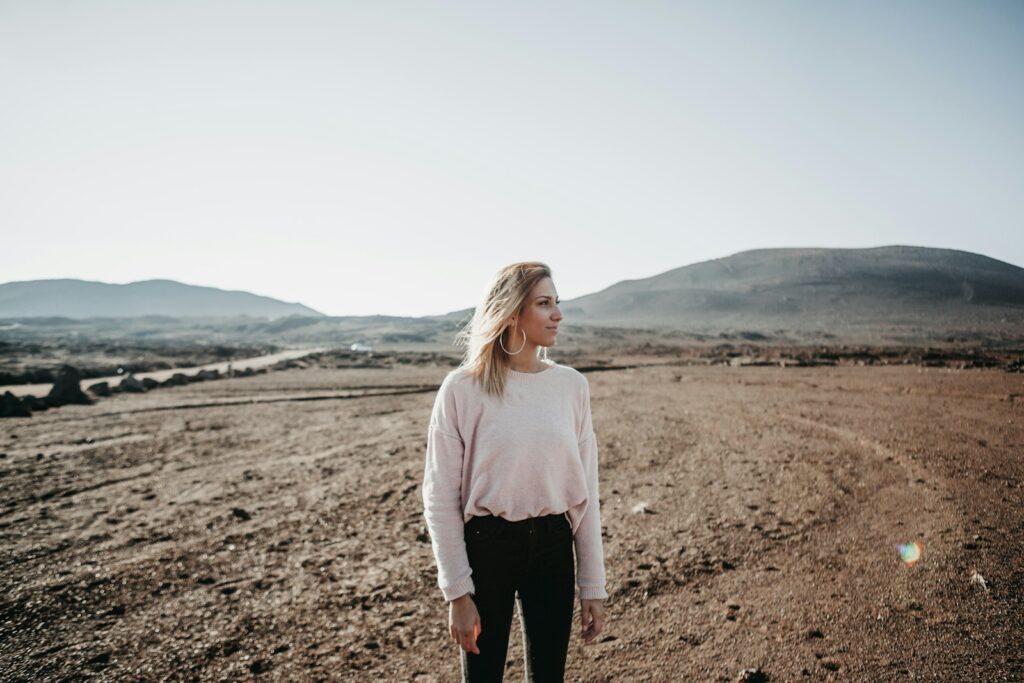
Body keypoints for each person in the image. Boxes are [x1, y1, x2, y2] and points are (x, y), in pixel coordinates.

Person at [422, 262, 608, 682]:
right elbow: (438, 497)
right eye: (544, 304)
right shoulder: (462, 389)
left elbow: (586, 494)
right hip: (487, 550)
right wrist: (458, 592)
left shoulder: (572, 387)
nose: (558, 314)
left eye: (557, 303)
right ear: (510, 313)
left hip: (554, 548)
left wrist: (592, 585)